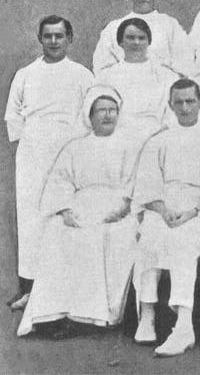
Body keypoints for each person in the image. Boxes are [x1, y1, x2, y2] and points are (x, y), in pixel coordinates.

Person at [16, 85, 138, 338]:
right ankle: (55, 312)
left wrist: (124, 207)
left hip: (117, 209)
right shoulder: (76, 147)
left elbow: (135, 184)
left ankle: (91, 315)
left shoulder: (130, 146)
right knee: (57, 232)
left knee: (97, 235)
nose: (107, 116)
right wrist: (64, 210)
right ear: (89, 116)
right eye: (101, 110)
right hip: (80, 205)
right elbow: (60, 181)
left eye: (112, 110)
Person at [132, 79, 200, 357]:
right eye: (179, 102)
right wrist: (163, 211)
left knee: (184, 243)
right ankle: (148, 315)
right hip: (164, 208)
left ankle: (184, 326)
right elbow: (148, 185)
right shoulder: (158, 140)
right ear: (170, 105)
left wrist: (189, 213)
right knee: (150, 235)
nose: (185, 107)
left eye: (190, 101)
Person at [5, 15, 94, 310]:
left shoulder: (82, 75)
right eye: (48, 36)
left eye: (59, 36)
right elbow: (12, 115)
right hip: (33, 154)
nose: (54, 41)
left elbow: (92, 113)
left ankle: (64, 292)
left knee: (64, 217)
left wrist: (77, 149)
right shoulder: (25, 74)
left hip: (69, 153)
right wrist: (31, 143)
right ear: (40, 39)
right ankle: (29, 289)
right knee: (31, 217)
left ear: (69, 38)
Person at [95, 18, 181, 145]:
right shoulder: (106, 77)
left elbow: (173, 115)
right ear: (120, 42)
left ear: (148, 42)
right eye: (130, 38)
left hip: (156, 142)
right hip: (116, 141)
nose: (136, 42)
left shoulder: (166, 76)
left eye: (141, 38)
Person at [93, 0, 193, 75]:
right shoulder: (113, 27)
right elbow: (102, 66)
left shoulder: (169, 24)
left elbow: (184, 61)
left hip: (161, 84)